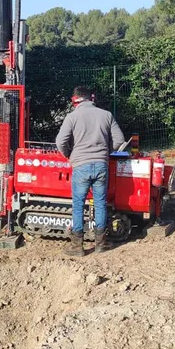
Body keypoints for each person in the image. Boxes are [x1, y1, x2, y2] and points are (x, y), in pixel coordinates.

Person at [55, 86, 124, 256]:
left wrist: (70, 156)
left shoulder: (72, 117)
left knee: (78, 204)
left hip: (80, 165)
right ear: (91, 98)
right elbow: (120, 141)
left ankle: (78, 246)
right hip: (101, 165)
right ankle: (101, 244)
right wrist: (105, 152)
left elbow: (60, 141)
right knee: (100, 203)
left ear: (75, 100)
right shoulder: (106, 115)